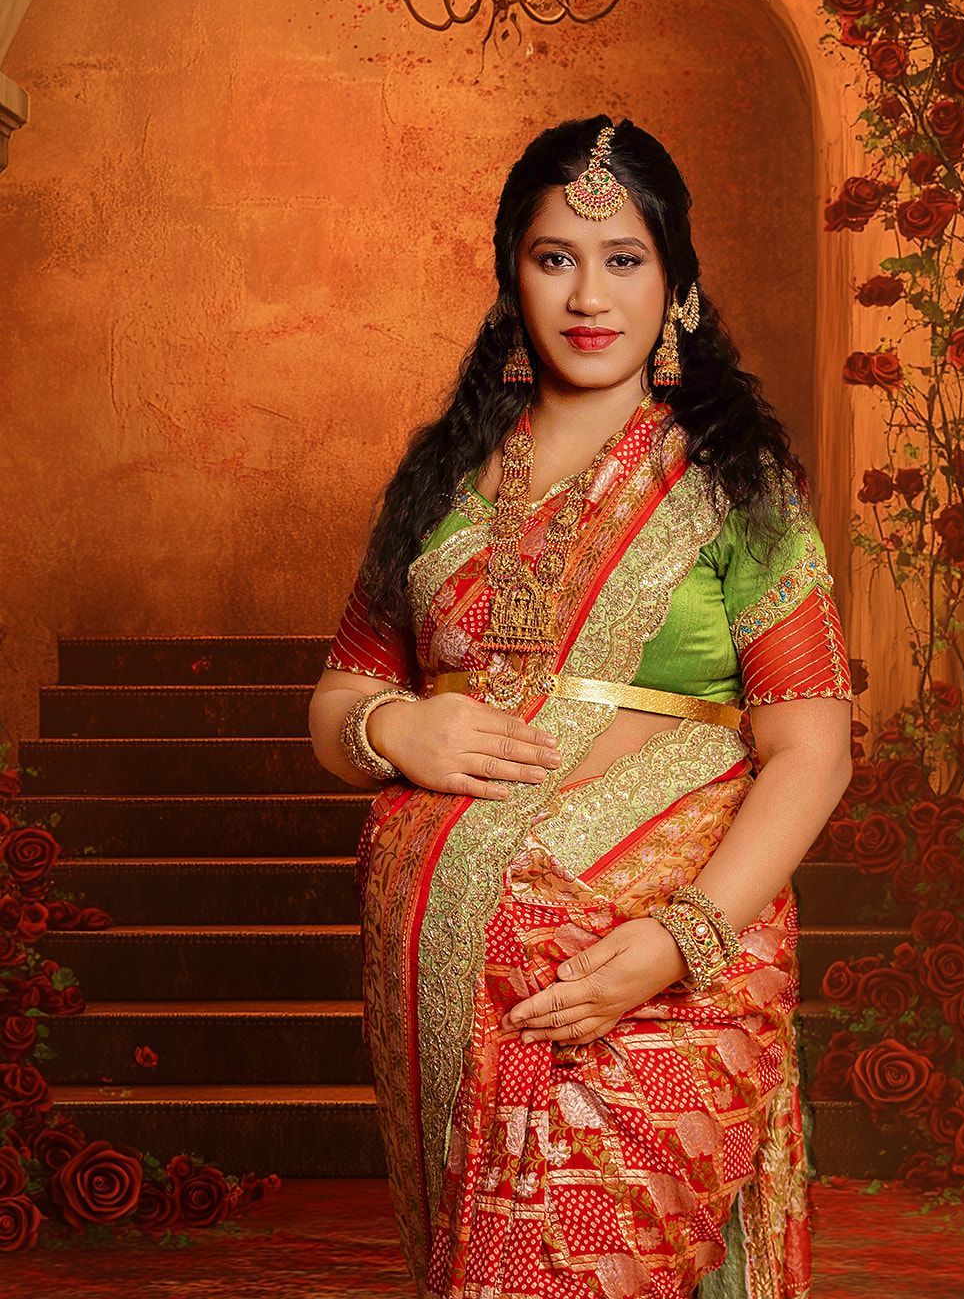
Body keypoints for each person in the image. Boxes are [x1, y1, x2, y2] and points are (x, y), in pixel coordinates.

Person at [308, 116, 853, 1299]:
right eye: (555, 256)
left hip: (653, 969)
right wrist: (394, 727)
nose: (588, 294)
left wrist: (675, 940)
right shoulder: (442, 482)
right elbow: (344, 688)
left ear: (676, 284)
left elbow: (811, 746)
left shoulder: (735, 488)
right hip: (446, 984)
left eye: (623, 259)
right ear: (511, 275)